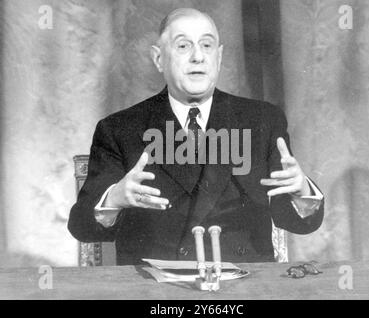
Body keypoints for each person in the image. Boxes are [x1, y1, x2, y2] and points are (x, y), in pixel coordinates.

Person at [68, 8, 324, 265]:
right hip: (155, 291)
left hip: (243, 289)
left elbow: (295, 222)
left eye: (207, 45)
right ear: (159, 59)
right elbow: (82, 227)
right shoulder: (118, 129)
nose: (198, 57)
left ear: (219, 56)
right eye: (183, 46)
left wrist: (302, 192)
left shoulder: (263, 121)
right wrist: (114, 199)